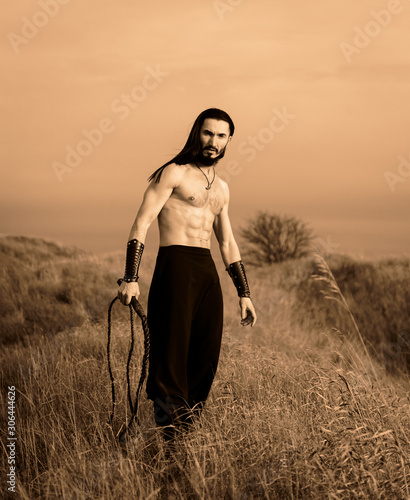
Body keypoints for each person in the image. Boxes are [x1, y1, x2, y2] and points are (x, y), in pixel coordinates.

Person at [117, 108, 257, 440]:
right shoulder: (173, 174)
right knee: (171, 353)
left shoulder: (222, 188)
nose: (213, 141)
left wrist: (244, 293)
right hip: (175, 265)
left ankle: (184, 428)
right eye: (208, 133)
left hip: (206, 272)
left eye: (221, 136)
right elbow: (142, 222)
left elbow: (227, 241)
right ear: (198, 132)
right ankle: (168, 438)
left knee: (205, 354)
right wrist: (131, 277)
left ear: (228, 141)